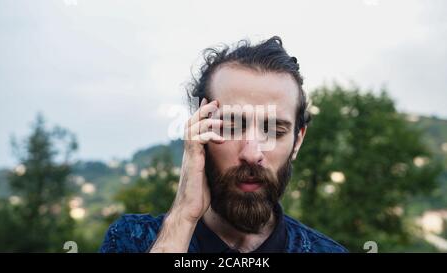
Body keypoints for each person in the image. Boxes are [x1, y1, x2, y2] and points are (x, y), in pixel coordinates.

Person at [100, 36, 348, 253]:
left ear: (297, 142)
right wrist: (182, 219)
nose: (252, 153)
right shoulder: (129, 240)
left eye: (274, 130)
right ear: (199, 132)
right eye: (230, 126)